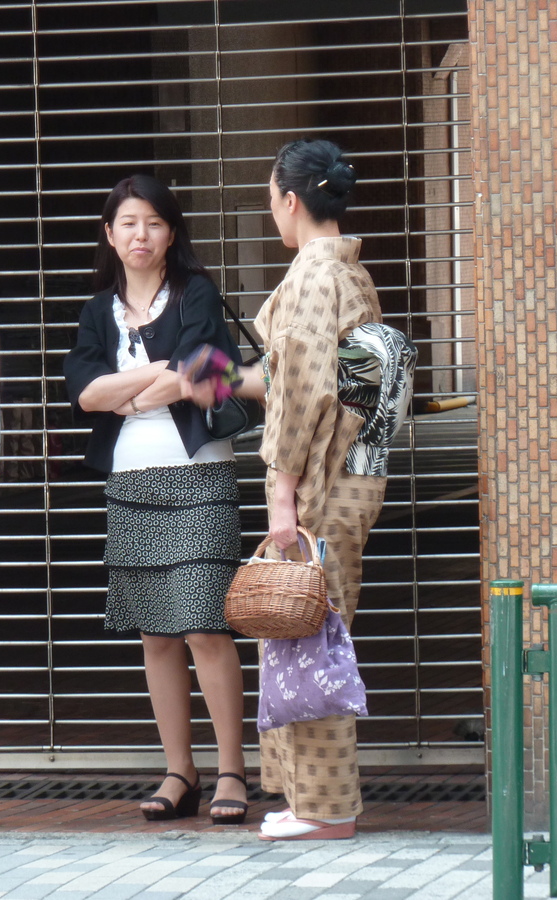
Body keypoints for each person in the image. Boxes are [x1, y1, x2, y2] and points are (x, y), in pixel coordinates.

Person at [63, 174, 255, 825]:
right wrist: (159, 374)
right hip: (131, 481)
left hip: (199, 476)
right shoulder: (97, 312)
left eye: (152, 223)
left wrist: (132, 384)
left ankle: (232, 769)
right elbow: (86, 395)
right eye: (128, 223)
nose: (139, 234)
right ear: (110, 235)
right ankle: (181, 771)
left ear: (171, 232)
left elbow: (209, 371)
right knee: (156, 635)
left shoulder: (195, 292)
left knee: (204, 623)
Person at [251, 138, 386, 841]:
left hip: (319, 485)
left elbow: (301, 395)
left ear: (292, 199)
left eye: (272, 197)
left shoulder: (312, 279)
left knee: (312, 639)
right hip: (354, 477)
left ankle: (325, 808)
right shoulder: (356, 278)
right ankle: (306, 798)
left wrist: (282, 493)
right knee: (312, 633)